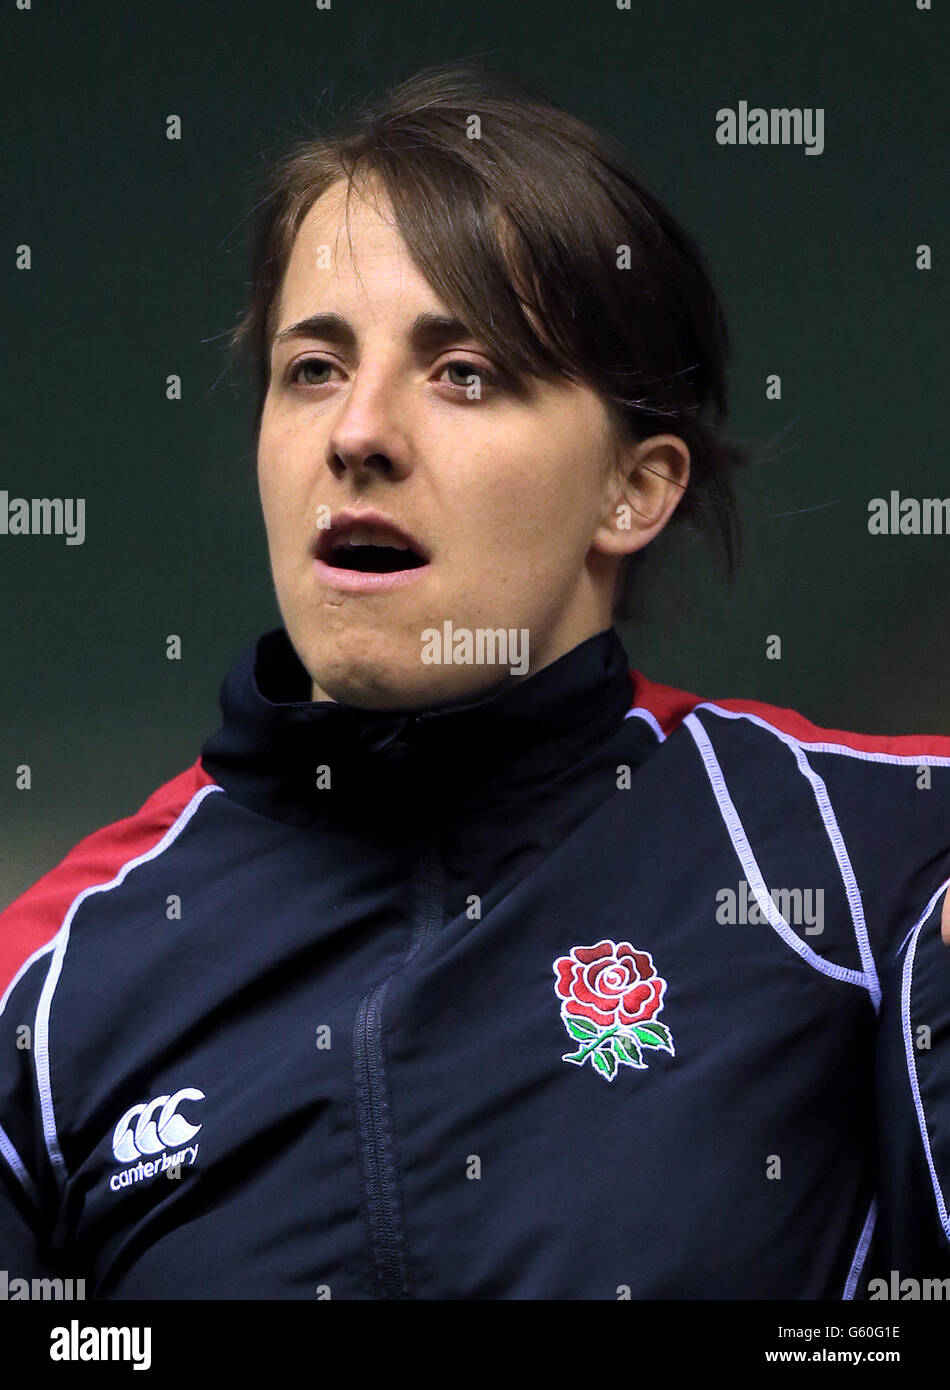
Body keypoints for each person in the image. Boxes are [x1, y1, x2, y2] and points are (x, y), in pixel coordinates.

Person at [2, 63, 950, 1301]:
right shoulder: (53, 983)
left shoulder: (865, 853)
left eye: (465, 372)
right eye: (313, 370)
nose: (359, 432)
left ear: (635, 488)